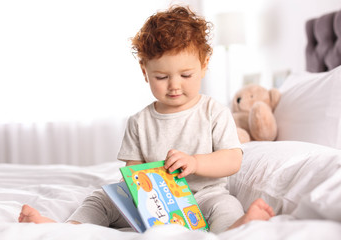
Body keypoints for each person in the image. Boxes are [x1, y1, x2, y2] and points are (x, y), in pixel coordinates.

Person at [19, 6, 275, 233]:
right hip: (155, 205)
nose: (174, 85)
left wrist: (195, 162)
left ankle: (235, 228)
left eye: (186, 75)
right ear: (145, 71)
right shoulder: (138, 122)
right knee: (100, 199)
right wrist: (135, 184)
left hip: (203, 199)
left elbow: (232, 160)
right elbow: (134, 169)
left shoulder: (213, 111)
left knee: (226, 204)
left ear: (204, 65)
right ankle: (70, 228)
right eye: (162, 77)